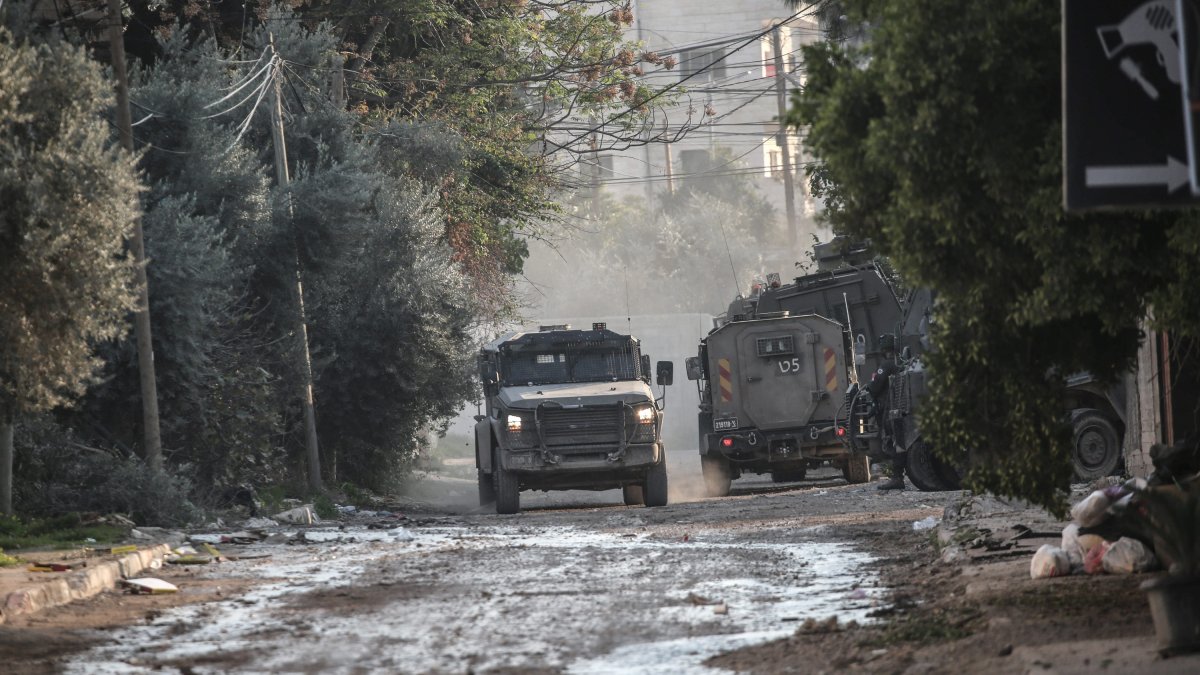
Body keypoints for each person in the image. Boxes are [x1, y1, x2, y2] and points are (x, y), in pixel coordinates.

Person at [866, 335, 905, 491]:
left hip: (891, 409)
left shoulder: (886, 365)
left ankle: (897, 477)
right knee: (899, 443)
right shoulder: (901, 362)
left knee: (895, 443)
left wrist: (870, 384)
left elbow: (875, 387)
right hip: (899, 408)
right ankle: (898, 475)